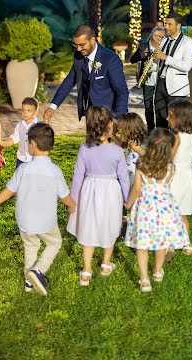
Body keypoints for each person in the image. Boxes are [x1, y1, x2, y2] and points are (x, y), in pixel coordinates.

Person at [0, 123, 75, 296]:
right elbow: (64, 195)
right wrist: (71, 206)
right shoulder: (54, 171)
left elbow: (9, 191)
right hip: (46, 221)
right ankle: (38, 270)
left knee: (31, 247)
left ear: (33, 144)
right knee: (54, 242)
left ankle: (29, 282)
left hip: (25, 220)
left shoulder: (24, 169)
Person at [67, 107, 130, 285]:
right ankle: (105, 264)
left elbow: (78, 177)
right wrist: (127, 200)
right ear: (108, 126)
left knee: (89, 226)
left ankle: (86, 271)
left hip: (89, 190)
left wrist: (73, 200)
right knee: (109, 224)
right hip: (111, 192)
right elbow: (124, 179)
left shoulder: (84, 149)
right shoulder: (117, 151)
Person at [124, 128, 190, 292]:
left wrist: (128, 204)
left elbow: (137, 189)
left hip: (146, 208)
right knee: (161, 242)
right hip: (164, 208)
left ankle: (145, 280)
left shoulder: (141, 164)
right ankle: (158, 271)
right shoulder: (171, 167)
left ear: (150, 145)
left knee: (142, 246)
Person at [43, 24, 128, 124]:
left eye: (82, 45)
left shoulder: (110, 59)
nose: (78, 49)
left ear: (92, 40)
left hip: (109, 115)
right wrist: (53, 106)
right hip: (91, 115)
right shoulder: (79, 57)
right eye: (75, 45)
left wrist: (118, 119)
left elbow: (122, 91)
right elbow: (69, 82)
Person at [167, 99, 192, 254]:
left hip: (176, 178)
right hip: (190, 176)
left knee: (171, 212)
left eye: (170, 115)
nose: (167, 118)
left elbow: (170, 158)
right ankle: (187, 244)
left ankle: (172, 243)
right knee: (183, 213)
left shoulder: (177, 137)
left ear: (179, 118)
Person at [153, 13, 192, 129]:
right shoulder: (164, 40)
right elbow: (160, 60)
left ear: (178, 26)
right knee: (160, 119)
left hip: (177, 88)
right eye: (165, 23)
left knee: (176, 122)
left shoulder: (188, 42)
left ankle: (176, 146)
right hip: (160, 84)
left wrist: (166, 58)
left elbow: (187, 66)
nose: (166, 27)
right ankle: (161, 145)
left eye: (169, 24)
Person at [130, 27, 166, 131]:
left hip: (161, 80)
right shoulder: (143, 46)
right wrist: (141, 56)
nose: (163, 39)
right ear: (154, 36)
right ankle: (150, 129)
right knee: (149, 106)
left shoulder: (165, 46)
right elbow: (132, 60)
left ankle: (161, 129)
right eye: (161, 37)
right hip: (148, 81)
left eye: (163, 37)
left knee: (160, 106)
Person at [0, 97, 39, 168]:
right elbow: (15, 137)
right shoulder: (20, 124)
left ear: (35, 113)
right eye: (23, 110)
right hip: (21, 159)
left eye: (28, 110)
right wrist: (3, 146)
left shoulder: (39, 126)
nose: (25, 113)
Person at [114, 112, 147, 185]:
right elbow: (122, 145)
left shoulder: (136, 144)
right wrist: (113, 135)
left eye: (120, 127)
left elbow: (146, 155)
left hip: (136, 177)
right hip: (129, 175)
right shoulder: (130, 142)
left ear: (128, 129)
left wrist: (138, 149)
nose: (118, 129)